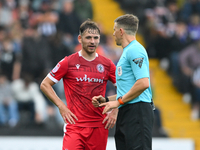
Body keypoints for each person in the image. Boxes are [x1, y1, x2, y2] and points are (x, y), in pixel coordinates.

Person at [40, 19, 118, 150]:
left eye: (95, 38)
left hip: (99, 125)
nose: (92, 41)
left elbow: (124, 88)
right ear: (80, 38)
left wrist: (115, 109)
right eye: (88, 37)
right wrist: (61, 106)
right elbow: (45, 84)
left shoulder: (107, 64)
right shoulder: (68, 62)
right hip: (75, 125)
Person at [92, 14, 154, 150]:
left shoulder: (135, 50)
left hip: (137, 112)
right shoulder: (127, 52)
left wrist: (118, 102)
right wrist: (107, 99)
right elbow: (127, 90)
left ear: (121, 31)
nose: (113, 34)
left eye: (114, 30)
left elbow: (143, 83)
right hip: (127, 111)